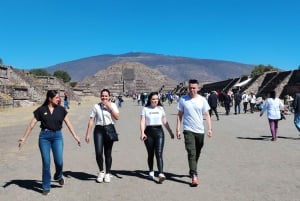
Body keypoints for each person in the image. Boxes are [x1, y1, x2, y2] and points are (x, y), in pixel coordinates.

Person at [18, 90, 81, 195]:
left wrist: (75, 136)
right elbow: (31, 125)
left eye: (59, 97)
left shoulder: (61, 109)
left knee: (59, 161)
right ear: (50, 98)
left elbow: (68, 123)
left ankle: (59, 175)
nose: (59, 99)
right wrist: (24, 138)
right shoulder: (41, 110)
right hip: (44, 138)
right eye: (56, 97)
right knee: (46, 163)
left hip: (57, 137)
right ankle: (46, 186)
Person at [176, 79, 212, 187]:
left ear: (198, 88)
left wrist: (210, 128)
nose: (192, 90)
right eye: (190, 88)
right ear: (188, 88)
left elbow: (207, 115)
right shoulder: (183, 100)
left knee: (197, 152)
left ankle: (192, 168)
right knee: (191, 152)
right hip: (188, 130)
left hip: (200, 130)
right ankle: (194, 175)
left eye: (194, 88)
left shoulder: (202, 100)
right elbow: (179, 115)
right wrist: (178, 129)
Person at [85, 89, 119, 183]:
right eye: (102, 96)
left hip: (109, 129)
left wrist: (109, 107)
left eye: (106, 96)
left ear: (109, 96)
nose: (104, 97)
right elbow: (92, 119)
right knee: (98, 152)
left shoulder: (113, 105)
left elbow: (117, 117)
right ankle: (101, 171)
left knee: (108, 153)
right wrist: (87, 133)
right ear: (100, 97)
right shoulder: (96, 106)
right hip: (99, 130)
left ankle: (107, 173)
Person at [140, 92, 174, 183]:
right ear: (150, 99)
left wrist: (170, 132)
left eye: (156, 99)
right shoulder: (145, 109)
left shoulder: (161, 108)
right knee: (150, 153)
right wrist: (142, 133)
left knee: (159, 153)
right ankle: (151, 171)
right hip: (149, 132)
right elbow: (142, 122)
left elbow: (165, 121)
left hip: (159, 132)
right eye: (153, 99)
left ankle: (161, 173)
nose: (155, 100)